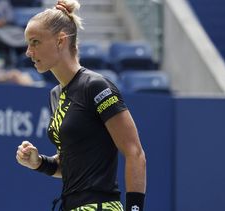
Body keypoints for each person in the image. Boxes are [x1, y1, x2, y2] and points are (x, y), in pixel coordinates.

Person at [15, 0, 147, 211]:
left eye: (35, 42)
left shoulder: (96, 86)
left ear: (60, 41)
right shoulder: (55, 95)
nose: (28, 52)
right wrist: (38, 162)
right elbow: (70, 166)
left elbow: (134, 152)